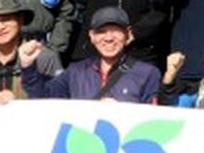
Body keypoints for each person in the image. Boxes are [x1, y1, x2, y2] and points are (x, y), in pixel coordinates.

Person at [24, 7, 161, 104]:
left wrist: (122, 112)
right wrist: (28, 66)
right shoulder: (76, 72)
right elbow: (43, 98)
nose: (108, 38)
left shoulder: (148, 73)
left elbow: (154, 122)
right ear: (92, 36)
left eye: (116, 31)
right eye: (101, 32)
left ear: (128, 35)